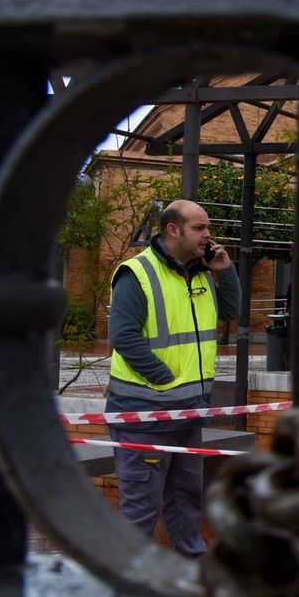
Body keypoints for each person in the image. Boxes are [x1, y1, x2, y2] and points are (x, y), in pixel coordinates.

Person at [105, 199, 241, 556]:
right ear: (172, 229)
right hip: (144, 416)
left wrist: (225, 271)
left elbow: (231, 311)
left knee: (187, 502)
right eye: (199, 228)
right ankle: (134, 583)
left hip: (188, 413)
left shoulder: (201, 273)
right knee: (141, 510)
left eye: (207, 228)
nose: (208, 235)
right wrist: (165, 379)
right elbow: (124, 337)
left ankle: (191, 574)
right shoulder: (137, 273)